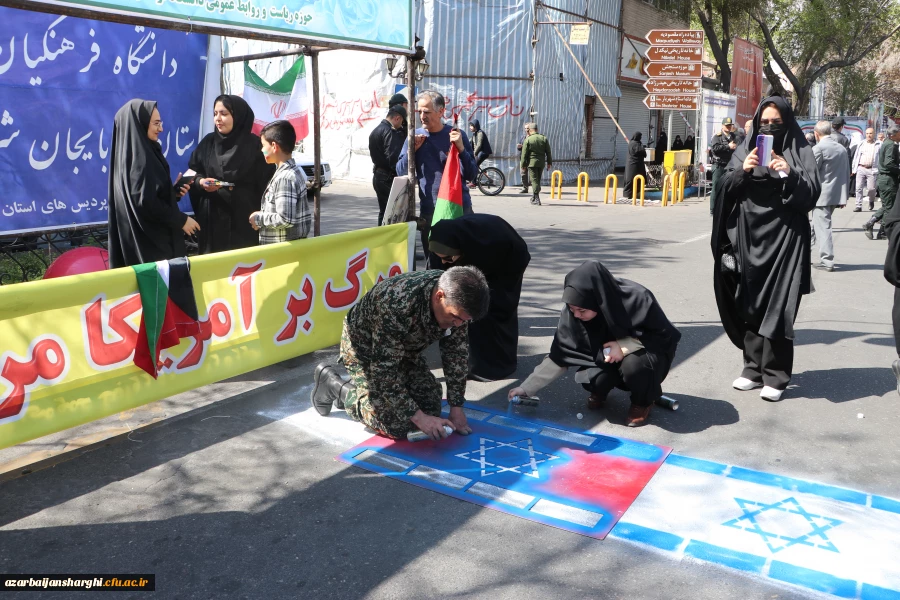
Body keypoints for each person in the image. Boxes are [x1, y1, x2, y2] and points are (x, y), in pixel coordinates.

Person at [711, 96, 821, 402]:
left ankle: (776, 374)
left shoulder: (801, 150)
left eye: (777, 123)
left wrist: (787, 172)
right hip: (748, 237)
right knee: (748, 302)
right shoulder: (746, 148)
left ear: (787, 123)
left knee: (779, 307)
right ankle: (753, 369)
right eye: (764, 123)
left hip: (786, 240)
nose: (770, 128)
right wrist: (742, 171)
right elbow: (724, 190)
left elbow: (811, 194)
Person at [311, 267, 490, 440]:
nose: (458, 325)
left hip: (405, 351)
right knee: (397, 424)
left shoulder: (457, 300)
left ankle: (365, 391)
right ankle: (336, 387)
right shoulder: (397, 303)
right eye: (456, 318)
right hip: (366, 351)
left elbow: (455, 354)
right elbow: (384, 373)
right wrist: (418, 417)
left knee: (430, 408)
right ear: (439, 297)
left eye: (464, 320)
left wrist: (456, 407)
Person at [507, 260, 680, 428]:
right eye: (571, 308)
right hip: (606, 357)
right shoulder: (573, 311)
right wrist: (526, 388)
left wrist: (624, 346)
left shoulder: (638, 298)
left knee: (634, 365)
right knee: (593, 379)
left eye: (581, 310)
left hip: (645, 357)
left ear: (598, 299)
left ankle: (642, 402)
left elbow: (665, 336)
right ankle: (601, 390)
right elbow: (559, 356)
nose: (576, 315)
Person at [429, 214, 531, 381]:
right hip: (477, 261)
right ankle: (472, 359)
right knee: (466, 308)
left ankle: (495, 367)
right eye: (440, 257)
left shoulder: (490, 243)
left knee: (490, 309)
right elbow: (439, 271)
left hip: (507, 263)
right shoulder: (443, 241)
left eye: (448, 259)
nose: (444, 263)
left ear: (461, 250)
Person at [108, 99, 200, 268]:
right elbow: (146, 202)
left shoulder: (131, 156)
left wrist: (172, 193)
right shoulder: (141, 160)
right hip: (152, 249)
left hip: (139, 244)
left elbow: (147, 195)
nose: (161, 129)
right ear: (140, 124)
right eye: (156, 123)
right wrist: (180, 220)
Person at [187, 95, 274, 254]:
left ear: (238, 116)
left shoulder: (255, 146)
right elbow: (192, 172)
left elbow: (268, 184)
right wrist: (201, 182)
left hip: (245, 222)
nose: (218, 119)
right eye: (215, 114)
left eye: (224, 114)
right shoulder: (208, 143)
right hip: (213, 222)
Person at [396, 91, 477, 259]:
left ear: (441, 112)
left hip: (459, 207)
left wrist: (461, 148)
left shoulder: (456, 135)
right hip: (430, 210)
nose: (422, 116)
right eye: (419, 111)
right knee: (434, 262)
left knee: (463, 260)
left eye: (427, 111)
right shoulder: (414, 137)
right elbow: (400, 170)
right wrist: (413, 150)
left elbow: (471, 174)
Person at [250, 120, 311, 244]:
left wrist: (258, 218)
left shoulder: (285, 178)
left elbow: (285, 219)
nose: (262, 150)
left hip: (283, 252)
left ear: (274, 146)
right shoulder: (290, 172)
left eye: (263, 145)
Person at [811, 121, 849, 272]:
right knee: (816, 226)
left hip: (822, 195)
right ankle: (803, 253)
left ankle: (827, 260)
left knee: (823, 227)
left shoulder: (819, 148)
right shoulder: (841, 148)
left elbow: (811, 172)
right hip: (835, 194)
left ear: (816, 133)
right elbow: (846, 171)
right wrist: (844, 196)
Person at [368, 105, 407, 225]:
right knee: (390, 212)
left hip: (378, 175)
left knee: (384, 211)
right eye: (402, 122)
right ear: (397, 118)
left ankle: (381, 237)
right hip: (387, 177)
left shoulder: (377, 129)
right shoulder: (389, 132)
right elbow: (393, 159)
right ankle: (386, 240)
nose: (401, 125)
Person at [865, 124, 900, 240]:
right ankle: (883, 231)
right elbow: (889, 163)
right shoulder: (891, 145)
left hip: (885, 179)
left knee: (887, 206)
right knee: (889, 207)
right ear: (895, 135)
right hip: (888, 180)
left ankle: (872, 223)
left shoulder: (888, 143)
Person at [709, 117, 741, 215]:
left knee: (729, 187)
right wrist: (728, 146)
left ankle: (727, 207)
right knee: (716, 186)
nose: (728, 127)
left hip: (730, 165)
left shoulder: (734, 137)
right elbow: (715, 148)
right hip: (719, 165)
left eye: (730, 125)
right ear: (722, 126)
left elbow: (739, 147)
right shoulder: (717, 137)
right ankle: (713, 209)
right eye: (727, 125)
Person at [520, 122, 553, 206]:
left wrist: (523, 165)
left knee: (534, 180)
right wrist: (549, 162)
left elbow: (524, 154)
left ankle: (536, 197)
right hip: (541, 163)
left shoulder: (528, 139)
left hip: (532, 163)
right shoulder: (543, 138)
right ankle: (535, 196)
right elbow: (548, 152)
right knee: (538, 179)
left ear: (530, 130)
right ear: (537, 129)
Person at [852, 127, 879, 212]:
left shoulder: (878, 144)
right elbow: (856, 156)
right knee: (858, 187)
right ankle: (858, 205)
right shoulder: (861, 143)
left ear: (874, 134)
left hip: (872, 169)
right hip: (861, 168)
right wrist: (854, 168)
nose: (869, 135)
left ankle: (871, 200)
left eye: (870, 133)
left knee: (871, 189)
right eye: (867, 133)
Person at [623, 132, 647, 199]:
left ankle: (630, 194)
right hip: (635, 165)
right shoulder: (636, 144)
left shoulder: (631, 143)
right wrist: (643, 148)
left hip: (632, 165)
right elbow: (642, 152)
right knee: (633, 180)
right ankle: (630, 194)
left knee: (632, 179)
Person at [517, 123, 531, 193]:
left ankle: (536, 188)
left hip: (531, 158)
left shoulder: (533, 137)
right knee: (523, 173)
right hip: (523, 158)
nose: (526, 130)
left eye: (528, 128)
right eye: (525, 128)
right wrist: (519, 147)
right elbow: (519, 147)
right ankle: (525, 188)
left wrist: (523, 147)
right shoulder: (523, 137)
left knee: (533, 174)